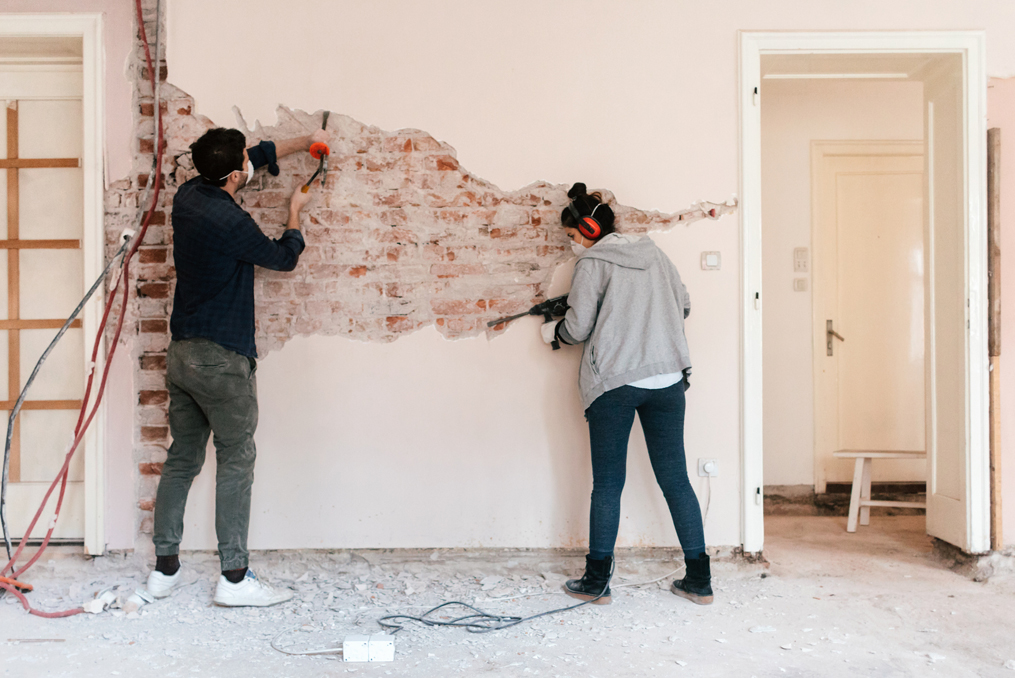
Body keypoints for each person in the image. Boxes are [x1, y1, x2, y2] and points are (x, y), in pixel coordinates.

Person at [145, 126, 328, 607]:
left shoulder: (187, 196)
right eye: (243, 162)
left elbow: (254, 154)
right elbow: (282, 258)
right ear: (232, 175)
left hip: (182, 354)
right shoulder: (231, 224)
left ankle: (163, 572)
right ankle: (234, 579)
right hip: (221, 358)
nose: (250, 163)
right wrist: (294, 213)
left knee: (182, 459)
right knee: (236, 461)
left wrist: (304, 140)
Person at [544, 182, 712, 606]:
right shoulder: (656, 255)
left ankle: (597, 583)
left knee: (608, 485)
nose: (573, 245)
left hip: (616, 385)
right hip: (668, 379)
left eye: (572, 237)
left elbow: (579, 329)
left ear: (587, 230)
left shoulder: (591, 265)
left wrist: (555, 332)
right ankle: (699, 581)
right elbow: (684, 304)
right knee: (675, 479)